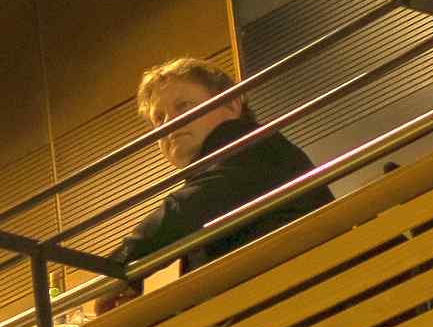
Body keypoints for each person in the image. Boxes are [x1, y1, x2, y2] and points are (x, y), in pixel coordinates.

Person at [101, 56, 330, 291]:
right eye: (159, 118)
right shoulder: (212, 182)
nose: (169, 123)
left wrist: (114, 271)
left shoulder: (250, 147)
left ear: (231, 103)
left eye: (183, 106)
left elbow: (185, 210)